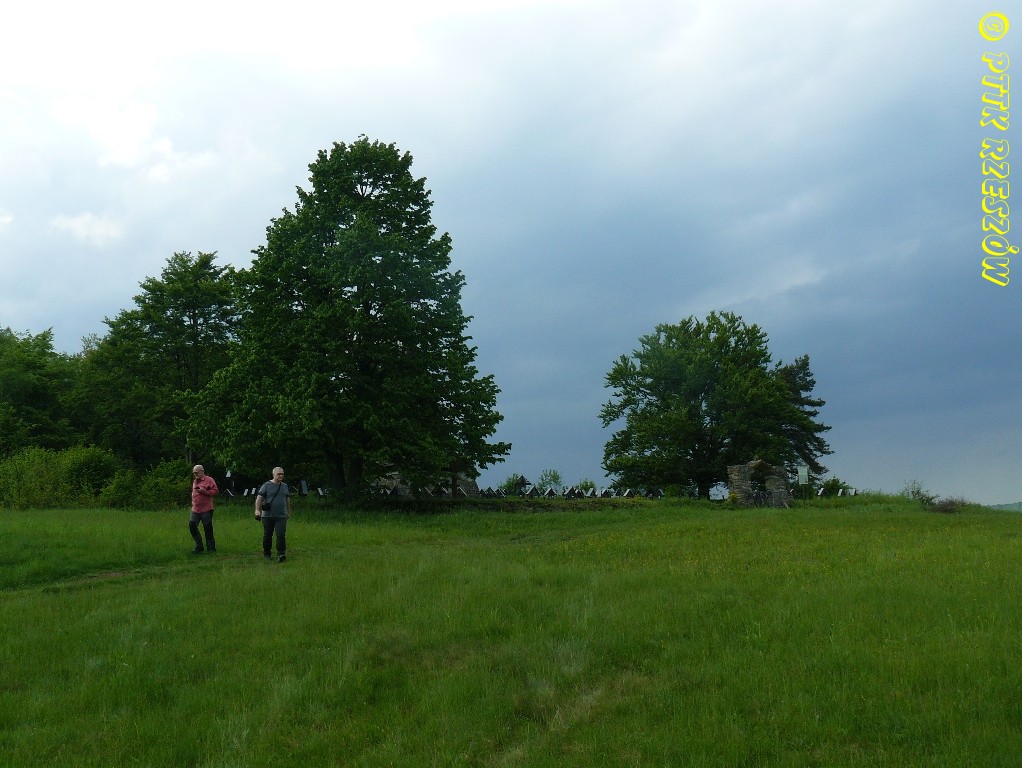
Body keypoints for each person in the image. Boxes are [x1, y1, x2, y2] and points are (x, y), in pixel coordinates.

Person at [256, 466, 291, 562]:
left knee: (281, 534)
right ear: (273, 474)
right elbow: (259, 498)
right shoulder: (266, 485)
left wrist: (288, 512)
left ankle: (281, 554)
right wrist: (257, 510)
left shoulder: (284, 486)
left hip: (281, 515)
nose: (281, 476)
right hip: (268, 516)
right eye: (279, 474)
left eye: (282, 474)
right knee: (268, 535)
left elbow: (287, 499)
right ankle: (267, 553)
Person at [190, 465, 219, 553]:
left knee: (207, 528)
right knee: (192, 526)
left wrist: (204, 492)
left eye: (196, 472)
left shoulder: (209, 480)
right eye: (194, 473)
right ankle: (199, 546)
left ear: (202, 471)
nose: (195, 474)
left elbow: (215, 491)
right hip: (195, 508)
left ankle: (211, 548)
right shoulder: (195, 481)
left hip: (206, 508)